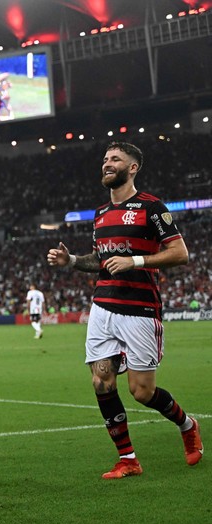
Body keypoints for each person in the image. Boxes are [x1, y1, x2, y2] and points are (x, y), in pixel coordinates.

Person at [47, 141, 203, 478]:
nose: (107, 163)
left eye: (115, 159)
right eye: (105, 159)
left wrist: (135, 260)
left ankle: (188, 425)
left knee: (141, 392)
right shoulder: (101, 214)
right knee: (101, 382)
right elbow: (101, 260)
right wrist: (71, 261)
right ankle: (128, 459)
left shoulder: (151, 207)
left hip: (139, 309)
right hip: (103, 308)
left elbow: (180, 253)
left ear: (132, 168)